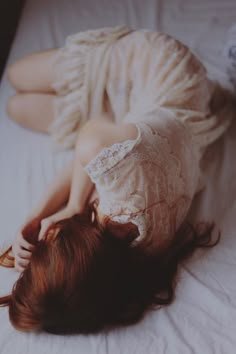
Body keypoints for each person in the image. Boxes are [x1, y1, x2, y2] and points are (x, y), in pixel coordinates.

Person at [0, 26, 234, 334]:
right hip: (167, 76)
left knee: (16, 105)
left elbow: (92, 157)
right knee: (17, 80)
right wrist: (70, 205)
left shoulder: (128, 257)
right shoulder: (117, 186)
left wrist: (39, 215)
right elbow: (93, 138)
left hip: (140, 103)